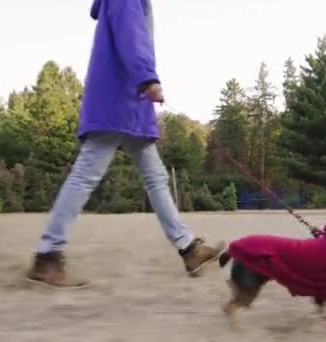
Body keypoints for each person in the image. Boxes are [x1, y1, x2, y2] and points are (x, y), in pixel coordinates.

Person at [26, 0, 225, 288]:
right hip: (118, 102)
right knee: (85, 175)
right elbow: (131, 37)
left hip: (130, 103)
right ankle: (47, 256)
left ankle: (188, 249)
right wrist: (148, 78)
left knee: (155, 178)